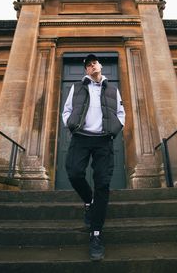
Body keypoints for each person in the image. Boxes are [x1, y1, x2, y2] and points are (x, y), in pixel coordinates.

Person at [62, 54, 125, 261]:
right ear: (86, 71)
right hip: (81, 138)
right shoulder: (77, 87)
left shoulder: (113, 89)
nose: (92, 66)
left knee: (103, 184)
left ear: (100, 66)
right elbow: (68, 110)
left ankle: (96, 233)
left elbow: (120, 113)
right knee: (74, 172)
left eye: (94, 63)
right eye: (88, 65)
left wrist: (114, 129)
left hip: (103, 140)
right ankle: (89, 200)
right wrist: (71, 125)